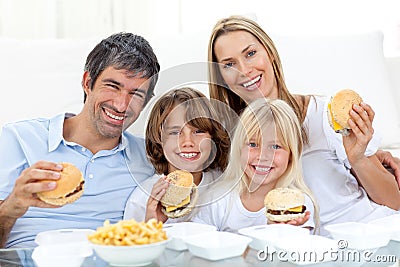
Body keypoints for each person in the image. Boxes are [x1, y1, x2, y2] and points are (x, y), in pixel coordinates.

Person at [207, 15, 400, 234]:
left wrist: (359, 159)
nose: (245, 70)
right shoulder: (226, 139)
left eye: (250, 54)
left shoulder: (323, 115)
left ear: (269, 52)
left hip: (363, 235)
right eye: (229, 64)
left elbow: (393, 201)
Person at [0, 32, 160, 248]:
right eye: (112, 86)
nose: (122, 105)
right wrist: (11, 207)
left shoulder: (150, 159)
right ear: (87, 82)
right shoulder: (17, 139)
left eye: (136, 94)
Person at [192, 98, 319, 233]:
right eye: (253, 144)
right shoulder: (217, 199)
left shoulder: (298, 204)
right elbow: (197, 243)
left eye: (275, 146)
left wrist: (281, 233)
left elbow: (297, 251)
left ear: (291, 155)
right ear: (239, 149)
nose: (263, 156)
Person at [124, 87, 230, 223]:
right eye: (175, 132)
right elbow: (131, 242)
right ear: (159, 140)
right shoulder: (141, 200)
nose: (187, 142)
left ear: (213, 138)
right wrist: (152, 224)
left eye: (198, 131)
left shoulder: (224, 185)